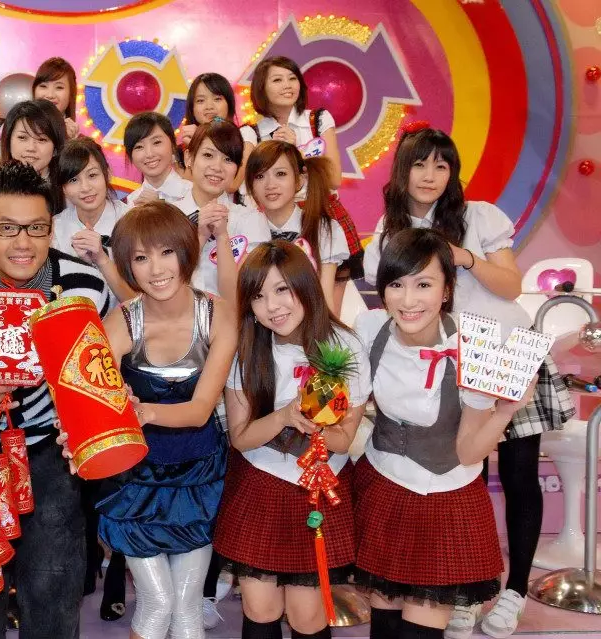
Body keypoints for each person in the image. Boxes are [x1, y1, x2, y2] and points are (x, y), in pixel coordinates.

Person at [362, 126, 575, 639]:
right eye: (420, 164)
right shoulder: (389, 229)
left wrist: (463, 257)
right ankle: (460, 592)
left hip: (502, 354)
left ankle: (514, 591)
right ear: (402, 171)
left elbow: (512, 284)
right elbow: (383, 290)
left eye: (442, 165)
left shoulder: (479, 216)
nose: (430, 175)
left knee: (519, 474)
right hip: (448, 363)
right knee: (462, 473)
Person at [0, 161, 112, 639]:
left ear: (52, 226)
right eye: (7, 228)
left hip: (48, 458)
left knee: (53, 596)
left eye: (37, 228)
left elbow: (105, 369)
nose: (23, 243)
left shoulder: (85, 287)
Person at [353, 228, 533, 639]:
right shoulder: (369, 329)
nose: (408, 300)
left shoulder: (472, 345)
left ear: (447, 289)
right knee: (385, 626)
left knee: (421, 632)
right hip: (383, 489)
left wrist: (505, 411)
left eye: (424, 284)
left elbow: (468, 452)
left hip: (445, 499)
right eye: (396, 285)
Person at [89, 202, 236, 639]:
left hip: (198, 476)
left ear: (187, 251)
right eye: (140, 257)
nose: (156, 269)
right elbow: (88, 397)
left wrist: (144, 411)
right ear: (127, 266)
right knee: (157, 602)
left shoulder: (219, 314)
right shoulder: (119, 322)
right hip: (135, 481)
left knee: (188, 607)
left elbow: (201, 408)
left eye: (166, 252)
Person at [214, 240, 370, 639]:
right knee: (260, 608)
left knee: (306, 616)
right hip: (259, 485)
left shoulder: (344, 346)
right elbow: (241, 438)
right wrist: (284, 415)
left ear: (305, 285)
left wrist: (317, 422)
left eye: (282, 289)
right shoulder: (246, 349)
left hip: (316, 488)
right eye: (258, 296)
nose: (272, 306)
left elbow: (344, 440)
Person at [247, 56, 364, 300]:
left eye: (292, 78)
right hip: (276, 221)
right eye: (277, 80)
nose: (287, 85)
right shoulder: (253, 133)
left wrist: (297, 152)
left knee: (327, 299)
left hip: (320, 213)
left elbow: (333, 178)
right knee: (280, 296)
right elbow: (248, 184)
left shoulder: (317, 120)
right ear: (261, 88)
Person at [170, 121, 270, 302]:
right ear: (189, 158)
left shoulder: (251, 220)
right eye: (208, 155)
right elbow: (166, 289)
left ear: (238, 168)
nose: (217, 167)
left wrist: (222, 236)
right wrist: (200, 237)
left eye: (228, 159)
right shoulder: (167, 217)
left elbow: (238, 297)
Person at [245, 141, 349, 312]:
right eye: (259, 176)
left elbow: (325, 300)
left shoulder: (323, 229)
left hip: (309, 325)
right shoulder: (243, 230)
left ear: (299, 180)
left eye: (280, 174)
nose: (270, 185)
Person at [52, 136, 134, 300]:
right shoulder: (55, 227)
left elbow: (138, 302)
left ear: (107, 174)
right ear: (63, 188)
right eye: (73, 180)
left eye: (92, 175)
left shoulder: (132, 221)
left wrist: (102, 259)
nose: (85, 188)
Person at [123, 112, 192, 206]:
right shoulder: (130, 203)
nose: (149, 154)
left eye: (156, 142)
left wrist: (160, 207)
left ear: (172, 145)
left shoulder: (194, 193)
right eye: (139, 147)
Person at [33, 57, 80, 139]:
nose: (50, 95)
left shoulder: (80, 142)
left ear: (71, 93)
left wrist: (69, 142)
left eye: (59, 87)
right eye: (43, 86)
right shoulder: (19, 128)